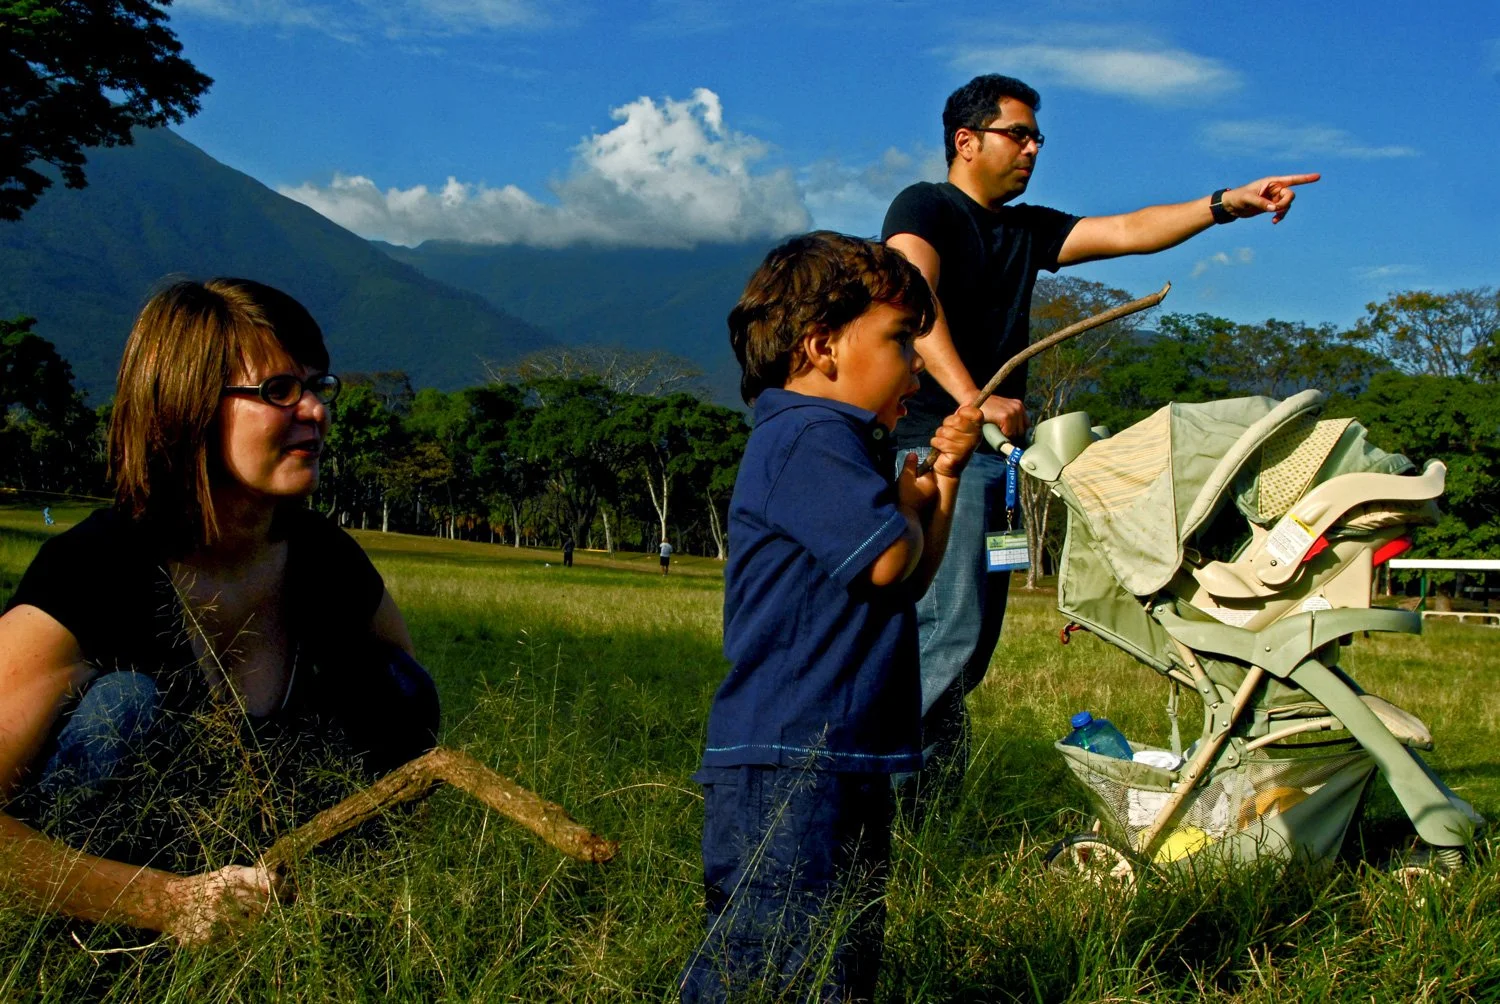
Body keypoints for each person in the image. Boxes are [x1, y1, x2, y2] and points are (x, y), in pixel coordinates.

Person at [881, 73, 1320, 793]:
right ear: (966, 141)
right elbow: (911, 293)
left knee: (970, 643)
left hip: (991, 461)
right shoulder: (925, 207)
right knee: (945, 633)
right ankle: (887, 800)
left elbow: (1127, 230)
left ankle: (932, 797)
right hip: (935, 448)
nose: (1032, 150)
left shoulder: (1025, 230)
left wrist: (1225, 205)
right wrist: (972, 399)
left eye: (1036, 138)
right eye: (1016, 134)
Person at [0, 279, 439, 945]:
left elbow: (409, 734)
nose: (315, 412)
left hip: (276, 899)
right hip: (105, 907)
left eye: (319, 386)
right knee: (123, 705)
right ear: (190, 406)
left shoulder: (329, 563)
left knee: (398, 684)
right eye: (280, 391)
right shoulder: (92, 570)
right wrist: (164, 902)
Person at [679, 232, 982, 1001]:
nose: (916, 363)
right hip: (789, 760)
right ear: (822, 346)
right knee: (769, 959)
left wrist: (939, 484)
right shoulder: (809, 435)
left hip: (836, 754)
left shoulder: (840, 442)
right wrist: (911, 505)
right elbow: (889, 559)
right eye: (900, 340)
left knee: (831, 961)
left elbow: (904, 583)